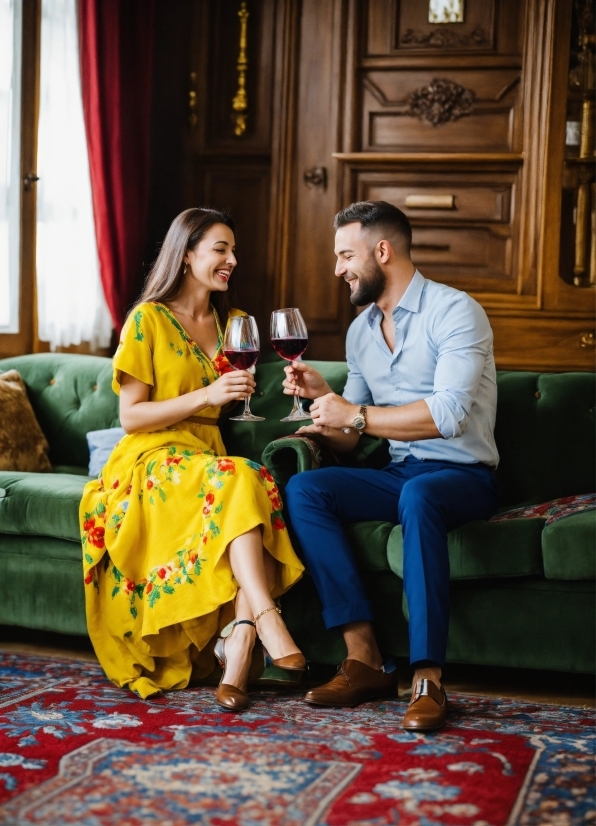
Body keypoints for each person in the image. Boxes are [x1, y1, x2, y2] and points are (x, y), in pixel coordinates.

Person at [283, 200, 499, 731]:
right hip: (400, 474)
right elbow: (353, 440)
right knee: (309, 491)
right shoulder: (360, 333)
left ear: (382, 251)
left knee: (419, 496)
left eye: (344, 255)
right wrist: (324, 401)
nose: (338, 269)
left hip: (464, 476)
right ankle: (365, 658)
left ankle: (428, 677)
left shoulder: (455, 311)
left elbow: (447, 416)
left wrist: (352, 413)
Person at [80, 207, 305, 709]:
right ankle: (266, 619)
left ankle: (243, 646)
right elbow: (132, 417)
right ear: (186, 255)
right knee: (240, 481)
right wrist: (207, 395)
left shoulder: (236, 323)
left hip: (207, 456)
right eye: (220, 249)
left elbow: (245, 405)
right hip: (151, 457)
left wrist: (297, 391)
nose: (232, 260)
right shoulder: (148, 320)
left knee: (253, 481)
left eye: (233, 251)